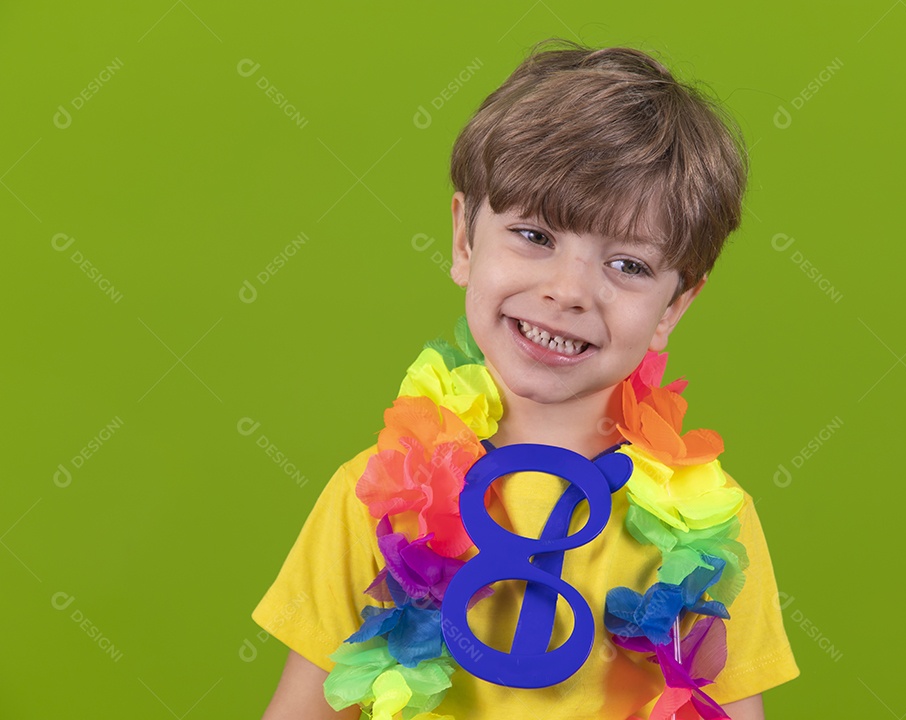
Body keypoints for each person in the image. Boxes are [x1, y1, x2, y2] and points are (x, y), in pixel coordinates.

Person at [253, 37, 799, 720]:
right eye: (535, 236)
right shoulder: (374, 499)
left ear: (675, 305)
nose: (568, 292)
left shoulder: (714, 525)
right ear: (463, 239)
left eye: (627, 265)